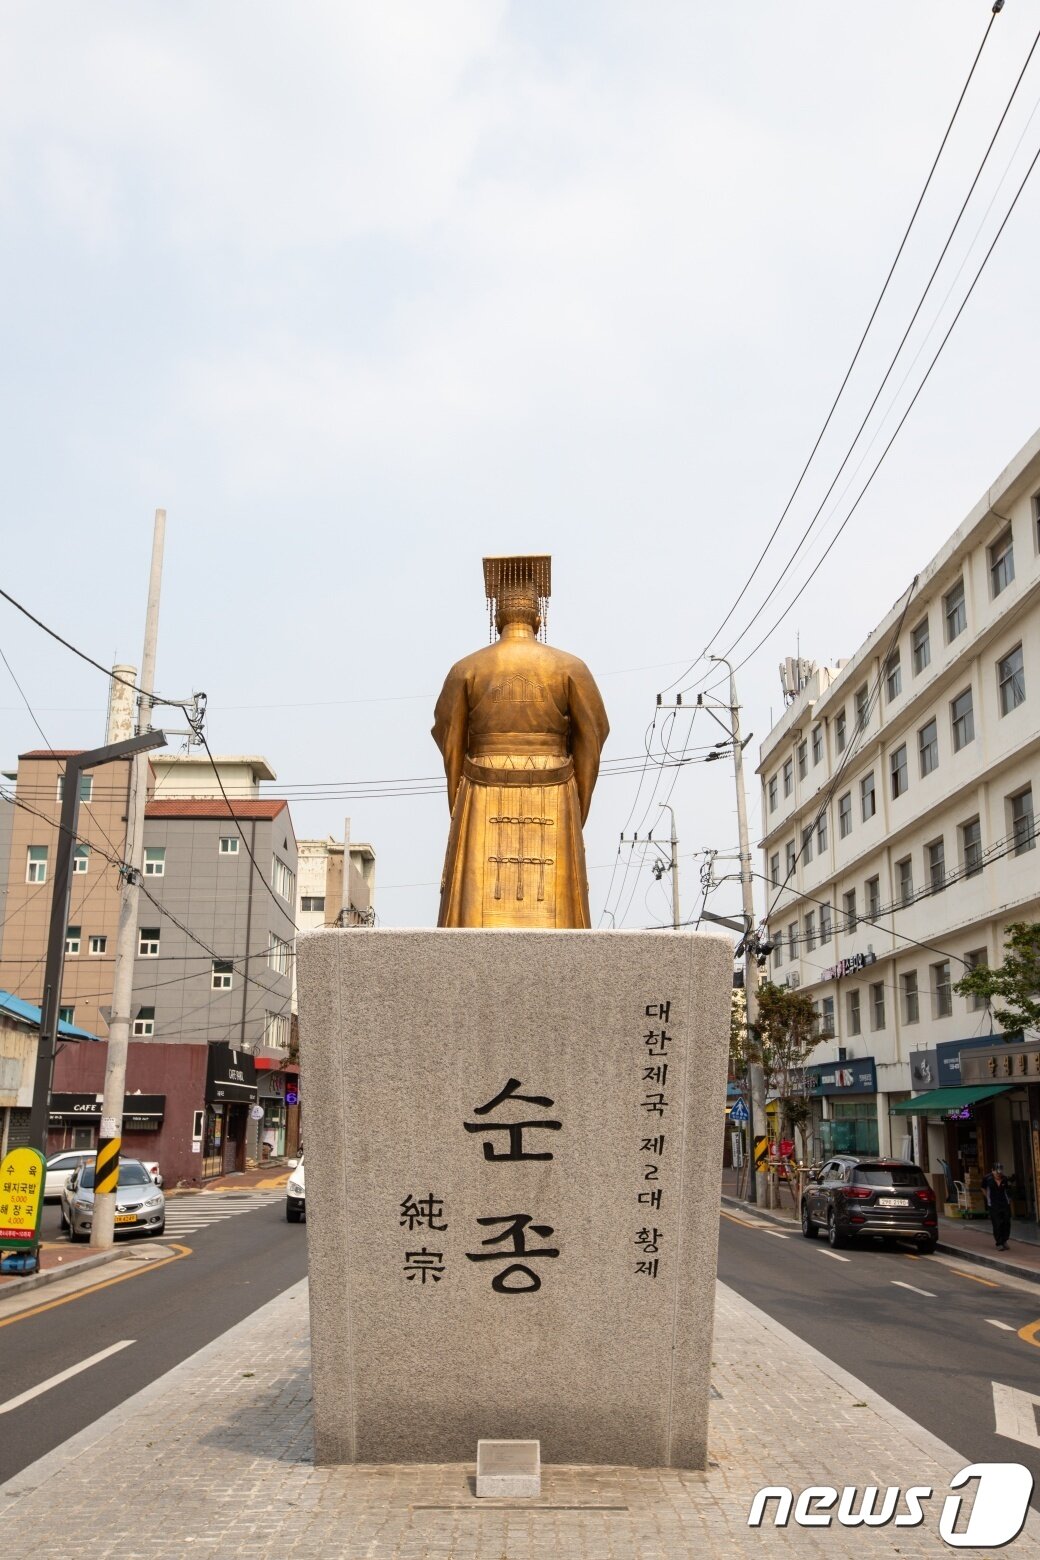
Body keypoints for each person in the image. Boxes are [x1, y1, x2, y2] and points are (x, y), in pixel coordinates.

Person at [432, 555, 609, 928]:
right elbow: (594, 735)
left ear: (497, 616)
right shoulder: (569, 667)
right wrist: (577, 804)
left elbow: (448, 737)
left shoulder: (467, 668)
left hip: (481, 790)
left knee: (475, 921)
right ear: (538, 617)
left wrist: (459, 798)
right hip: (555, 788)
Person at [981, 1162, 1012, 1251]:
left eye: (1000, 1173)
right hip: (993, 1204)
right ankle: (999, 1243)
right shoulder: (987, 1178)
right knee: (997, 1223)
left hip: (1005, 1204)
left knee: (1006, 1223)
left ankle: (1004, 1240)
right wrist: (987, 1197)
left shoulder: (1005, 1179)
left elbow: (1007, 1190)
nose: (999, 1174)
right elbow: (982, 1188)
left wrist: (1009, 1199)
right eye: (997, 1173)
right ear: (992, 1171)